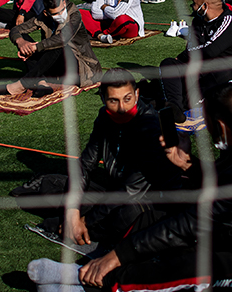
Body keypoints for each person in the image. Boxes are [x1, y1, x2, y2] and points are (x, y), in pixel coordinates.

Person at [29, 86, 232, 292]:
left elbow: (191, 225)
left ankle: (84, 285)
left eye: (209, 125)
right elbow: (225, 180)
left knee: (184, 268)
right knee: (151, 220)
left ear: (222, 126)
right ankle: (90, 274)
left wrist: (116, 256)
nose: (207, 131)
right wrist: (187, 163)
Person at [55, 69, 183, 246]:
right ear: (102, 98)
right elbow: (85, 165)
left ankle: (72, 228)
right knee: (58, 187)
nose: (122, 108)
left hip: (148, 199)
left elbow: (130, 191)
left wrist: (84, 221)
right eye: (113, 100)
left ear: (137, 94)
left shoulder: (150, 126)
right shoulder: (104, 118)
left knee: (127, 216)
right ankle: (73, 224)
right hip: (115, 189)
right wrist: (72, 211)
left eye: (127, 99)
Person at [146, 0, 232, 116]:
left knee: (221, 71)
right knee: (169, 64)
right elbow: (191, 48)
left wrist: (183, 57)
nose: (192, 6)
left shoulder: (229, 21)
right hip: (199, 70)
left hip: (221, 75)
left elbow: (211, 50)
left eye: (194, 3)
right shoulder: (197, 22)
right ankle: (175, 107)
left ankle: (172, 102)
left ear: (204, 6)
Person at [1, 0, 101, 96]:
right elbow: (16, 30)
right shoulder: (44, 16)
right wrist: (21, 42)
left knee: (57, 44)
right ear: (46, 13)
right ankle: (42, 82)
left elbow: (62, 39)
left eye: (61, 11)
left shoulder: (74, 15)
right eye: (55, 14)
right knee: (24, 40)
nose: (59, 15)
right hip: (55, 65)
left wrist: (35, 47)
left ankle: (24, 83)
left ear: (64, 3)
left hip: (82, 68)